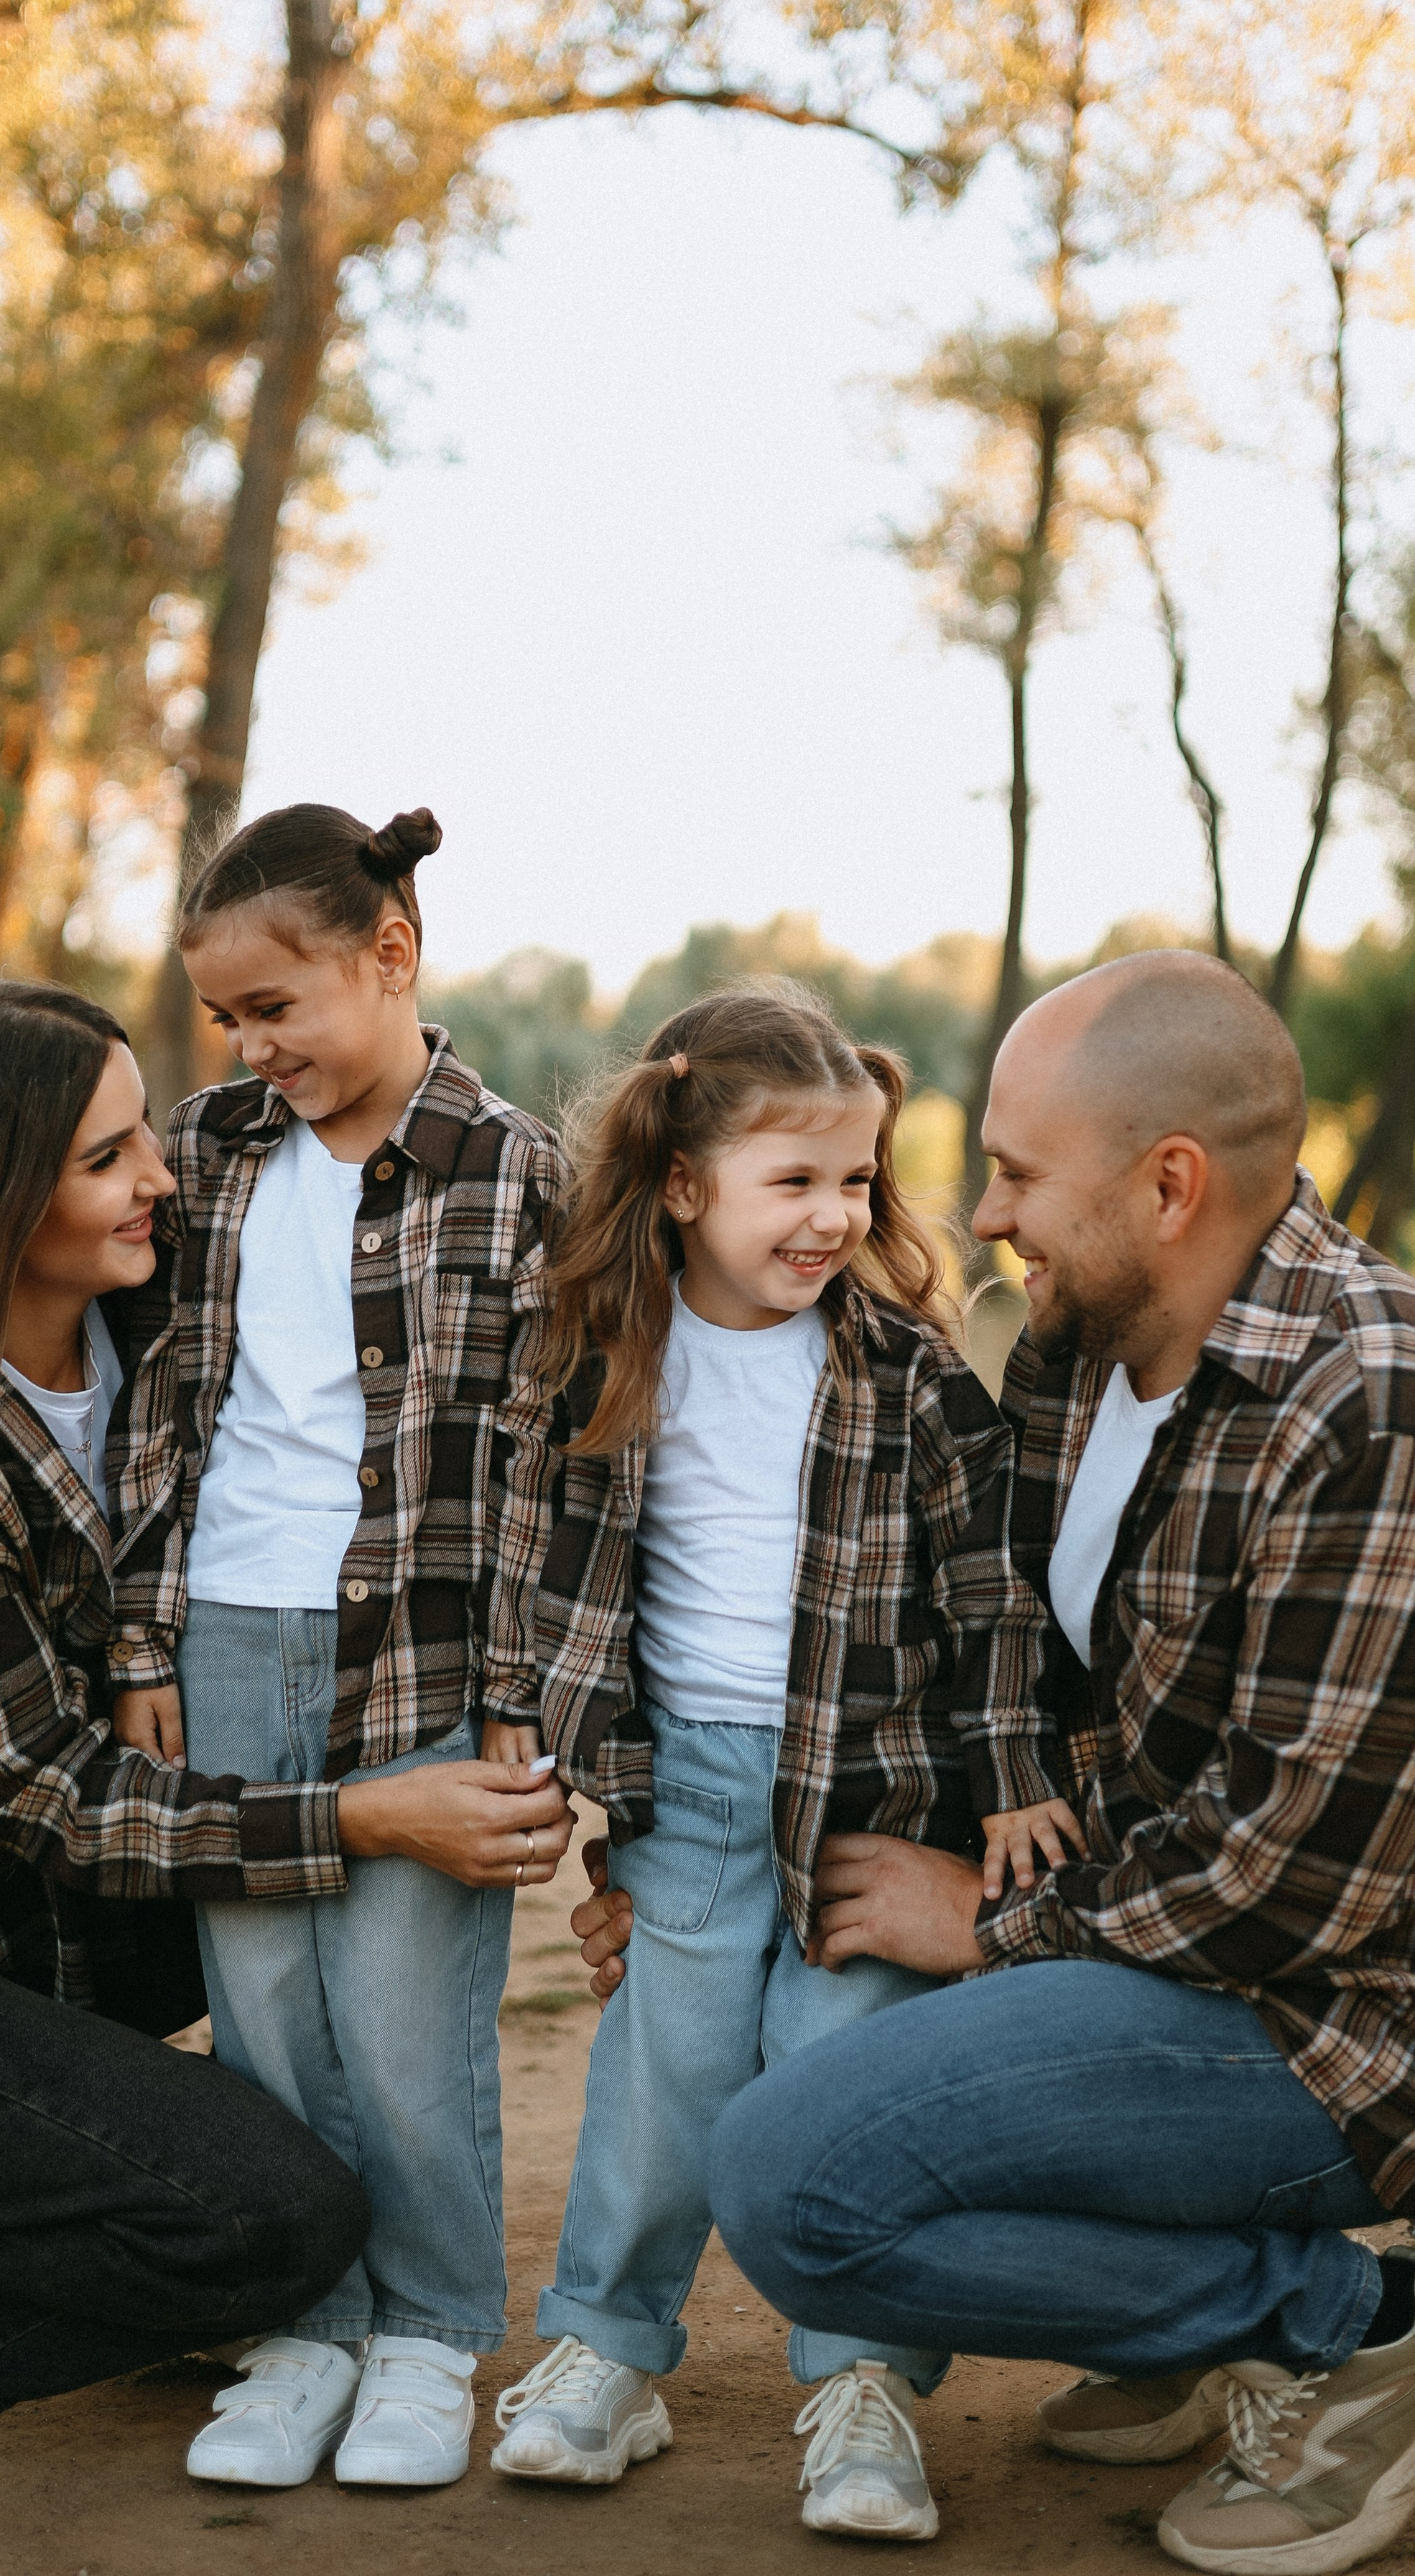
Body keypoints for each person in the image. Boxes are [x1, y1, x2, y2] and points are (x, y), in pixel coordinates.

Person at [673, 950, 1415, 2576]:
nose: (979, 1215)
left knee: (788, 2187)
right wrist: (702, 1859)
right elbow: (985, 1683)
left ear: (1166, 1184)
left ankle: (1354, 2326)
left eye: (1013, 1171)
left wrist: (980, 1931)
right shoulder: (1074, 1356)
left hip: (1347, 2025)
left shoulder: (1385, 1410)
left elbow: (1288, 1888)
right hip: (1162, 1944)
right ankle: (1182, 2327)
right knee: (823, 2069)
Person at [0, 981, 571, 2473]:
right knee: (271, 2223)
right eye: (108, 1158)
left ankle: (187, 2228)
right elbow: (61, 1795)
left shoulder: (161, 1324)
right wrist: (370, 1812)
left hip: (36, 1919)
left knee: (354, 1945)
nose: (162, 1177)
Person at [486, 986, 1052, 2541]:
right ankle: (606, 2347)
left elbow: (991, 1597)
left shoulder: (902, 1375)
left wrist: (1006, 1777)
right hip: (687, 1789)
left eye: (856, 1182)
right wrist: (529, 1727)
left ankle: (862, 2384)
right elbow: (538, 1559)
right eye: (790, 1182)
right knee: (663, 2077)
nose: (831, 1218)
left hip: (874, 1794)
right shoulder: (605, 1350)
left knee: (837, 2069)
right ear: (682, 1184)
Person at [108, 803, 565, 2493]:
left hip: (423, 1646)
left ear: (391, 955)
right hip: (226, 1625)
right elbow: (164, 1409)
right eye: (228, 1018)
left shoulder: (515, 1168)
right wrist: (140, 1637)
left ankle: (432, 2335)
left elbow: (550, 1458)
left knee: (397, 2011)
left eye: (276, 1006)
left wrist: (519, 1698)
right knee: (266, 2009)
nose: (253, 1045)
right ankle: (307, 2322)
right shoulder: (207, 1147)